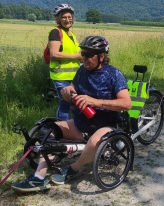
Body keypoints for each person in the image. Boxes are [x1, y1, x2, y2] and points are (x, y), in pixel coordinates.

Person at [12, 36, 132, 193]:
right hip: (81, 123)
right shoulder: (82, 70)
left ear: (101, 56)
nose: (84, 58)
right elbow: (72, 88)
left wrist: (95, 102)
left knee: (96, 141)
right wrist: (67, 92)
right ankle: (39, 178)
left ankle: (74, 169)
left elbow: (126, 103)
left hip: (105, 125)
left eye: (89, 55)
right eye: (83, 54)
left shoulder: (113, 74)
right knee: (49, 129)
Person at [49, 3, 82, 120]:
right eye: (64, 17)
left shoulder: (71, 34)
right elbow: (54, 54)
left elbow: (77, 54)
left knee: (76, 103)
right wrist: (75, 56)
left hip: (74, 76)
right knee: (65, 103)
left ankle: (72, 127)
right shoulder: (55, 32)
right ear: (58, 18)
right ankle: (61, 130)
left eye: (69, 17)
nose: (67, 20)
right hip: (61, 76)